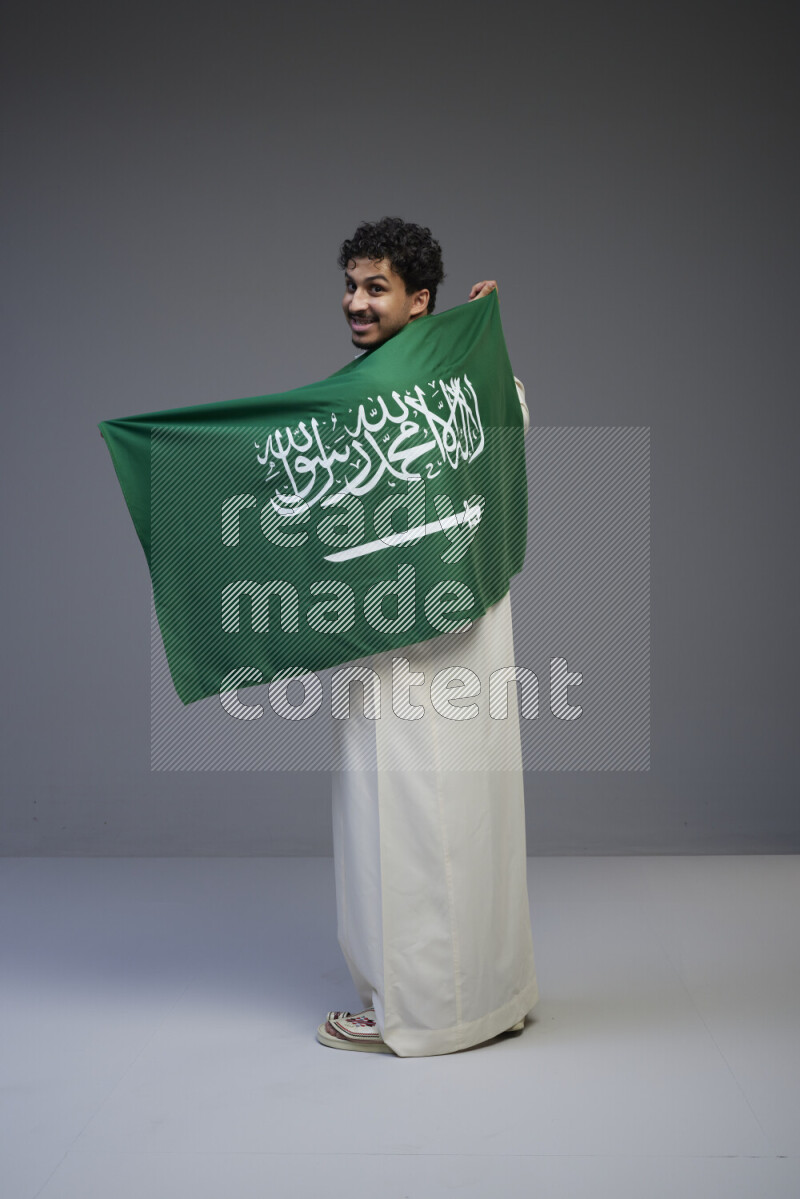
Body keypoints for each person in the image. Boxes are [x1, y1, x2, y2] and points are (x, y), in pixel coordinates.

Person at [316, 217, 538, 1056]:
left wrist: (475, 347)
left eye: (376, 287)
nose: (356, 301)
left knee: (411, 816)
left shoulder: (457, 386)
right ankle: (488, 995)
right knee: (444, 814)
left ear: (421, 300)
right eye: (351, 285)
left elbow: (508, 419)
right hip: (395, 635)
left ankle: (418, 1010)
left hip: (441, 641)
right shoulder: (361, 393)